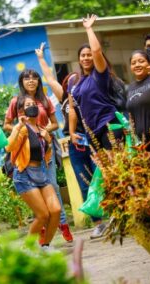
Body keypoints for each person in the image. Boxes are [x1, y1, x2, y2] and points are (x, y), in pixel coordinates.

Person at [35, 43, 103, 238]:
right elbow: (49, 78)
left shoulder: (87, 92)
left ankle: (115, 217)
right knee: (84, 183)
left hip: (92, 140)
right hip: (75, 145)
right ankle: (98, 223)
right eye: (69, 82)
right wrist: (41, 58)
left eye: (76, 81)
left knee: (101, 179)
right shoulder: (64, 98)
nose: (73, 84)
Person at [3, 69, 73, 244]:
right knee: (41, 210)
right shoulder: (16, 103)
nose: (31, 81)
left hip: (43, 157)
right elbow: (7, 134)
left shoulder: (44, 100)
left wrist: (43, 132)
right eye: (27, 78)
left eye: (34, 77)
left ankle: (57, 230)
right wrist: (23, 130)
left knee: (54, 197)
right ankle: (37, 235)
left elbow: (55, 124)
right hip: (26, 163)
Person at [5, 95, 61, 250]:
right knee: (43, 215)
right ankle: (28, 248)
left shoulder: (42, 128)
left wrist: (48, 140)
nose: (32, 106)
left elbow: (46, 154)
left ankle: (46, 246)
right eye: (27, 105)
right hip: (24, 174)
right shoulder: (22, 128)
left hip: (40, 172)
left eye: (33, 104)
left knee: (55, 210)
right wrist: (17, 127)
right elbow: (8, 147)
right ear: (22, 110)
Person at [68, 14, 124, 151]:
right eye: (83, 55)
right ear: (79, 59)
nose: (86, 58)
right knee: (104, 170)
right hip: (91, 131)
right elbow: (72, 108)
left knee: (118, 167)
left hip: (108, 125)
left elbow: (97, 50)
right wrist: (72, 132)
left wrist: (88, 29)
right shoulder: (77, 82)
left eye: (89, 55)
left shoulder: (99, 75)